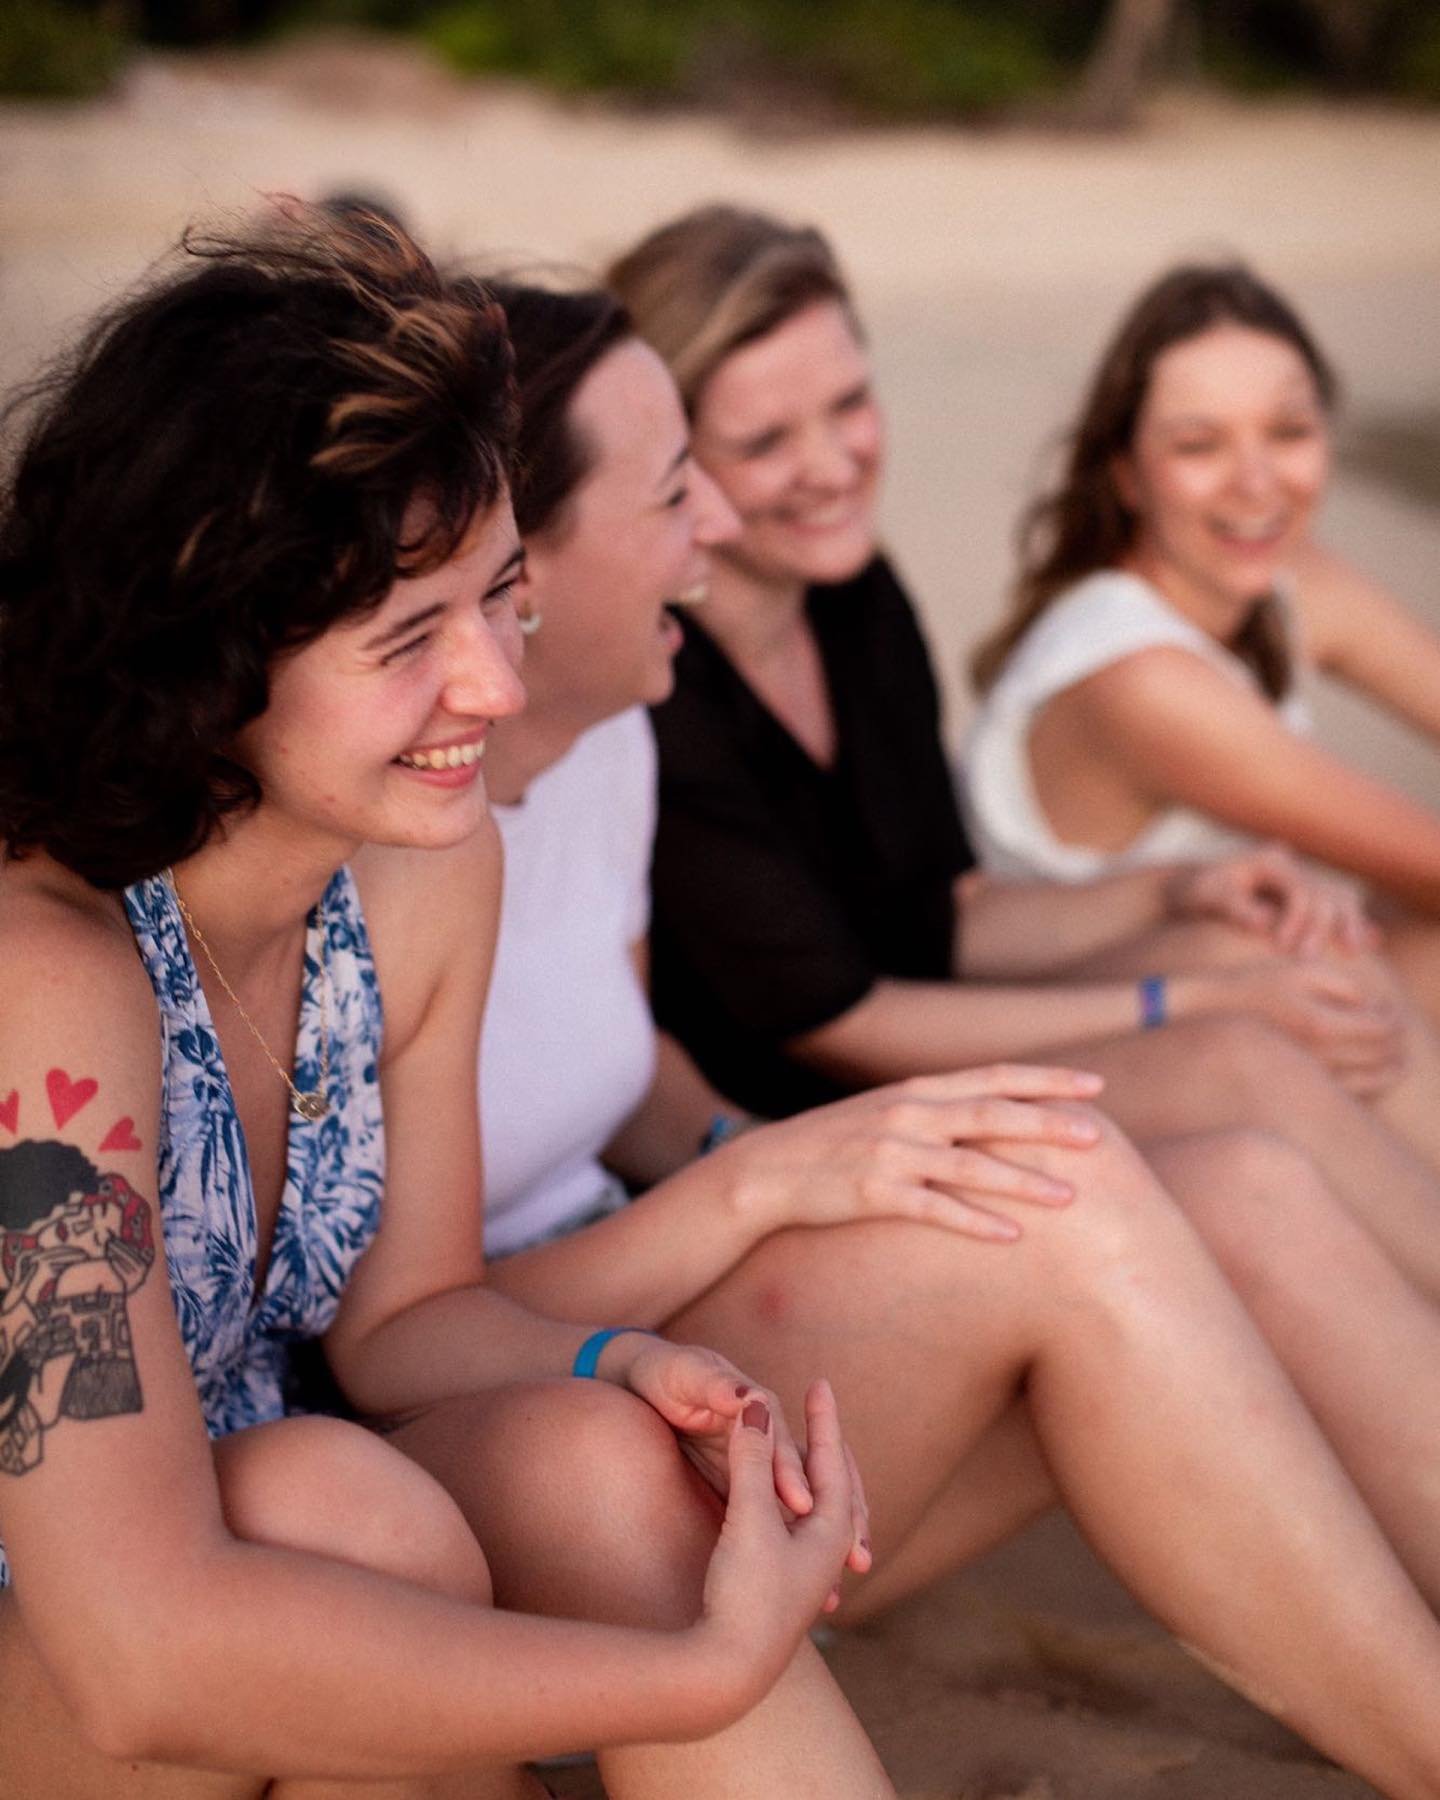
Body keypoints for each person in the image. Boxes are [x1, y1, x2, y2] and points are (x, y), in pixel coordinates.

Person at [469, 271, 1440, 1797]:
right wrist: (772, 1172)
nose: (722, 524)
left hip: (675, 1250)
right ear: (517, 554)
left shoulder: (608, 738)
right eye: (690, 484)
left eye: (849, 405)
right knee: (1093, 1177)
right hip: (537, 1403)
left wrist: (751, 1150)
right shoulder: (427, 823)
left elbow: (652, 1064)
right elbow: (387, 1326)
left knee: (1221, 1175)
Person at [0, 208, 889, 1800]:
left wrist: (618, 1360)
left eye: (499, 596)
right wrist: (698, 1672)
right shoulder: (43, 971)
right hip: (80, 1629)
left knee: (586, 1457)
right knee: (338, 1514)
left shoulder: (419, 871)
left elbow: (405, 1323)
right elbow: (135, 1655)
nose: (493, 681)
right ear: (209, 656)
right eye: (410, 637)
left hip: (234, 1536)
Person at [607, 203, 1440, 1289]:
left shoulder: (854, 597)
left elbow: (952, 912)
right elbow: (838, 1023)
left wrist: (1182, 891)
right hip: (807, 1127)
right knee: (1243, 1046)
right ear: (674, 463)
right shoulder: (657, 688)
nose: (831, 465)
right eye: (765, 441)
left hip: (932, 1029)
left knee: (1295, 961)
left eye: (850, 405)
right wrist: (1179, 1005)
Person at [966, 261, 1440, 1013]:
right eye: (1199, 445)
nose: (1257, 481)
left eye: (1288, 431)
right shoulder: (1140, 677)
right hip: (1112, 1057)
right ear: (1126, 476)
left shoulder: (1288, 580)